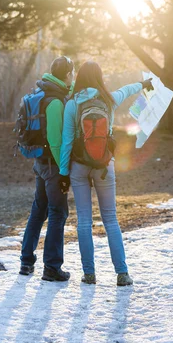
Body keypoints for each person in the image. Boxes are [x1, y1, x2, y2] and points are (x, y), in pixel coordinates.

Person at [59, 61, 153, 286]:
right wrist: (143, 84)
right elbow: (128, 90)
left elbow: (66, 141)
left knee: (84, 221)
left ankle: (89, 274)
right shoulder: (109, 99)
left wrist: (63, 173)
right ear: (99, 77)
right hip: (104, 165)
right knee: (110, 219)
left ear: (80, 77)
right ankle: (122, 274)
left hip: (79, 166)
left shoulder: (72, 104)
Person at [19, 55, 75, 281]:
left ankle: (26, 261)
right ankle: (52, 267)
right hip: (51, 165)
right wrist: (63, 171)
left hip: (40, 163)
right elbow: (54, 140)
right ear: (67, 75)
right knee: (57, 212)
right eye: (72, 73)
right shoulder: (54, 101)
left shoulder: (43, 92)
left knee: (38, 210)